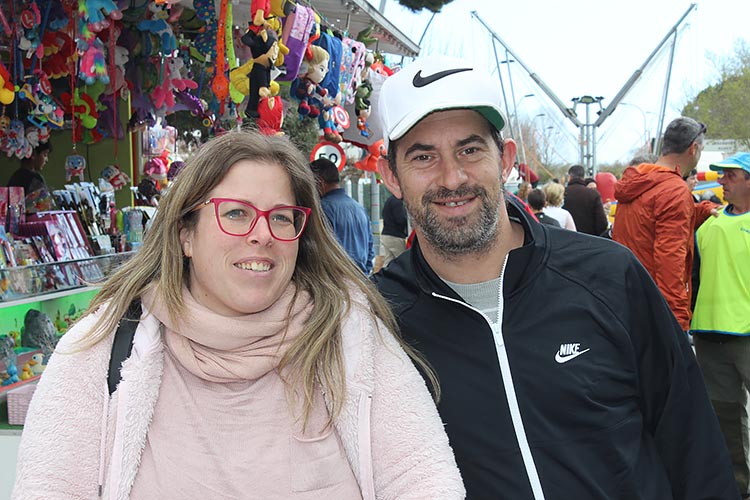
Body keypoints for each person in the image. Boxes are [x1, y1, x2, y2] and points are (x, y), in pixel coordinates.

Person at [13, 130, 465, 499]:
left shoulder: (351, 338)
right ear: (186, 234)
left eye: (281, 217)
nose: (261, 235)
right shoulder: (99, 349)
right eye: (235, 213)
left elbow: (424, 479)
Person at [372, 55, 738, 499]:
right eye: (423, 156)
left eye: (470, 150)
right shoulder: (376, 322)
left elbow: (694, 449)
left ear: (505, 159)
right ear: (391, 176)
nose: (452, 177)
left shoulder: (609, 276)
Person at [612, 117, 715, 332]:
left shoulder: (640, 181)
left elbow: (648, 223)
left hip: (627, 298)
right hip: (656, 308)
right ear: (693, 149)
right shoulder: (674, 190)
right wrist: (677, 320)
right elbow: (670, 259)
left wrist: (702, 211)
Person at [690, 152, 750, 499]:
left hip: (746, 334)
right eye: (722, 175)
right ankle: (739, 488)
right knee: (725, 418)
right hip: (710, 333)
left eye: (730, 175)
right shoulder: (707, 227)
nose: (721, 180)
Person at [310, 157, 375, 274]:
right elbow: (370, 250)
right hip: (360, 278)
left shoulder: (322, 209)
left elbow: (319, 250)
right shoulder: (359, 208)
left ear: (319, 182)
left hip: (335, 278)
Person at [7, 141, 55, 212]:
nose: (46, 160)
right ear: (33, 154)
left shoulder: (16, 176)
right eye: (45, 155)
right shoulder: (35, 178)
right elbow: (45, 208)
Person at [562, 164, 608, 235]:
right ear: (583, 177)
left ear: (569, 177)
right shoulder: (593, 194)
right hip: (588, 237)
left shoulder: (562, 193)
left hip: (566, 236)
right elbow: (602, 222)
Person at [380, 192, 408, 267]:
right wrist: (409, 222)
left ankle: (385, 274)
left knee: (388, 262)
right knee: (404, 263)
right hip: (396, 236)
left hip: (386, 235)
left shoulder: (389, 200)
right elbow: (400, 219)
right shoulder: (398, 202)